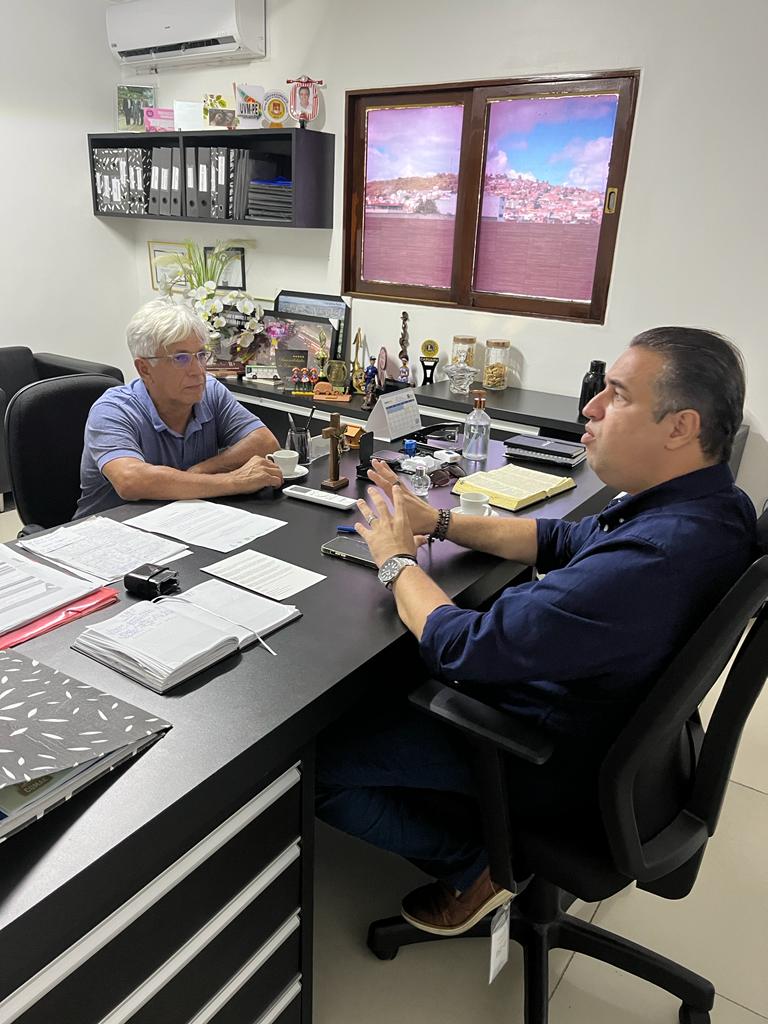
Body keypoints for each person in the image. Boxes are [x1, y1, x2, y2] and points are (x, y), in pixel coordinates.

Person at [316, 327, 758, 936]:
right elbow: (564, 537)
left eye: (617, 395)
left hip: (544, 751)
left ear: (679, 427)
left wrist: (394, 559)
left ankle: (473, 866)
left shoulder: (650, 560)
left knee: (320, 764)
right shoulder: (714, 507)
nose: (590, 408)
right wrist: (437, 521)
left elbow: (461, 648)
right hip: (618, 727)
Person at [75, 299, 282, 518]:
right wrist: (233, 480)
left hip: (180, 525)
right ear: (144, 368)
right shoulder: (113, 409)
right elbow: (131, 481)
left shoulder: (210, 391)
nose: (198, 371)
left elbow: (265, 442)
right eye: (181, 358)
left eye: (201, 355)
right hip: (105, 535)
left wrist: (202, 470)